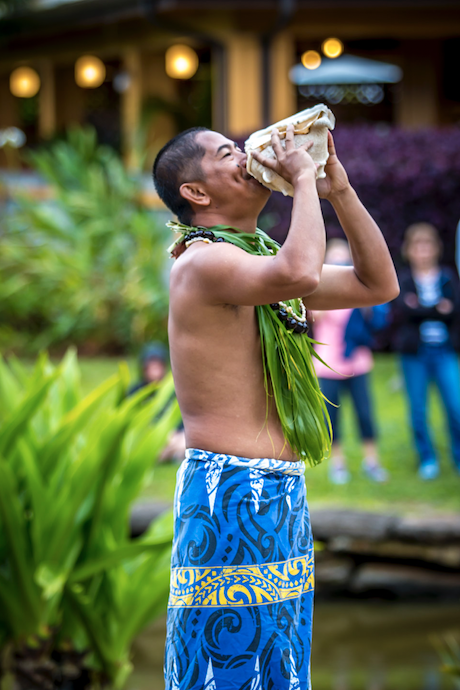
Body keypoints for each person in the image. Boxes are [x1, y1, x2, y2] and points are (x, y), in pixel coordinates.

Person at [152, 124, 399, 690]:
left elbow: (377, 283)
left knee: (280, 669)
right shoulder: (202, 263)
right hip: (229, 492)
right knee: (226, 671)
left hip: (280, 493)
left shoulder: (256, 260)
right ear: (197, 192)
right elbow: (299, 272)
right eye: (227, 154)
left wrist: (339, 190)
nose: (247, 158)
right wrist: (304, 182)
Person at [313, 239, 389, 485]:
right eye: (334, 258)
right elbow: (310, 319)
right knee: (332, 421)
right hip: (328, 365)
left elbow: (373, 318)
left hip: (358, 364)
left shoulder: (359, 291)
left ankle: (372, 462)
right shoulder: (317, 291)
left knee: (365, 414)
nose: (339, 262)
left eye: (343, 258)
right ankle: (339, 464)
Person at [391, 222, 460, 480]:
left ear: (436, 249)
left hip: (444, 351)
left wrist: (421, 308)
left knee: (455, 407)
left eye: (427, 245)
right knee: (418, 409)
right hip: (414, 354)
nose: (422, 251)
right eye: (417, 246)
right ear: (409, 250)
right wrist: (436, 309)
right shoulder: (404, 280)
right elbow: (405, 312)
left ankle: (458, 456)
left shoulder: (447, 278)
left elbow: (454, 311)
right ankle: (427, 459)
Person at [127, 342, 186, 462]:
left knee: (183, 442)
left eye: (158, 366)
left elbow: (180, 417)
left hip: (171, 437)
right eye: (151, 366)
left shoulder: (172, 390)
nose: (155, 371)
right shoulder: (136, 391)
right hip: (147, 436)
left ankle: (170, 455)